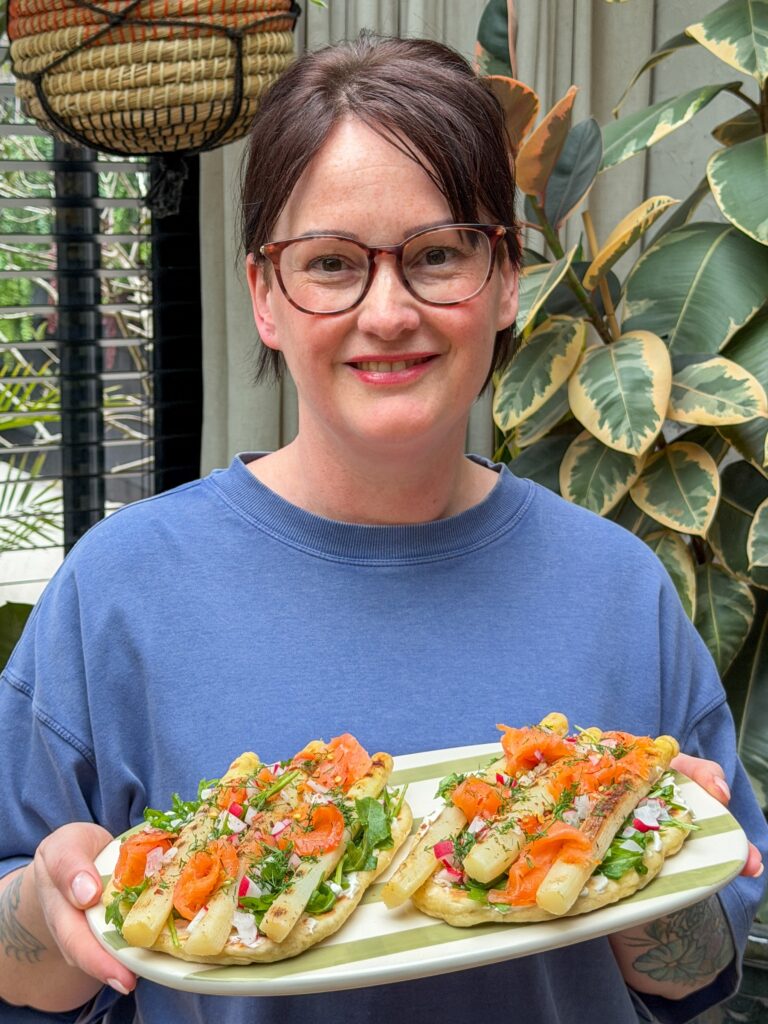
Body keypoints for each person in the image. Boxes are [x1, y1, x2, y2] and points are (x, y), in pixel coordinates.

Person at [0, 32, 765, 1024]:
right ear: (265, 296)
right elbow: (20, 962)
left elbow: (696, 977)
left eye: (437, 254)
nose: (389, 310)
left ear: (505, 279)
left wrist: (640, 850)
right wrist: (47, 905)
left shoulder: (621, 589)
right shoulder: (118, 590)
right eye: (331, 263)